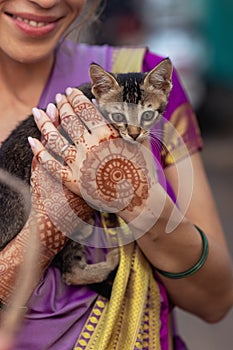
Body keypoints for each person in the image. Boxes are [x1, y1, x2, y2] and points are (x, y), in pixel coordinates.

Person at [0, 1, 232, 349]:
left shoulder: (143, 71)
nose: (45, 0)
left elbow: (216, 302)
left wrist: (141, 205)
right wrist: (49, 226)